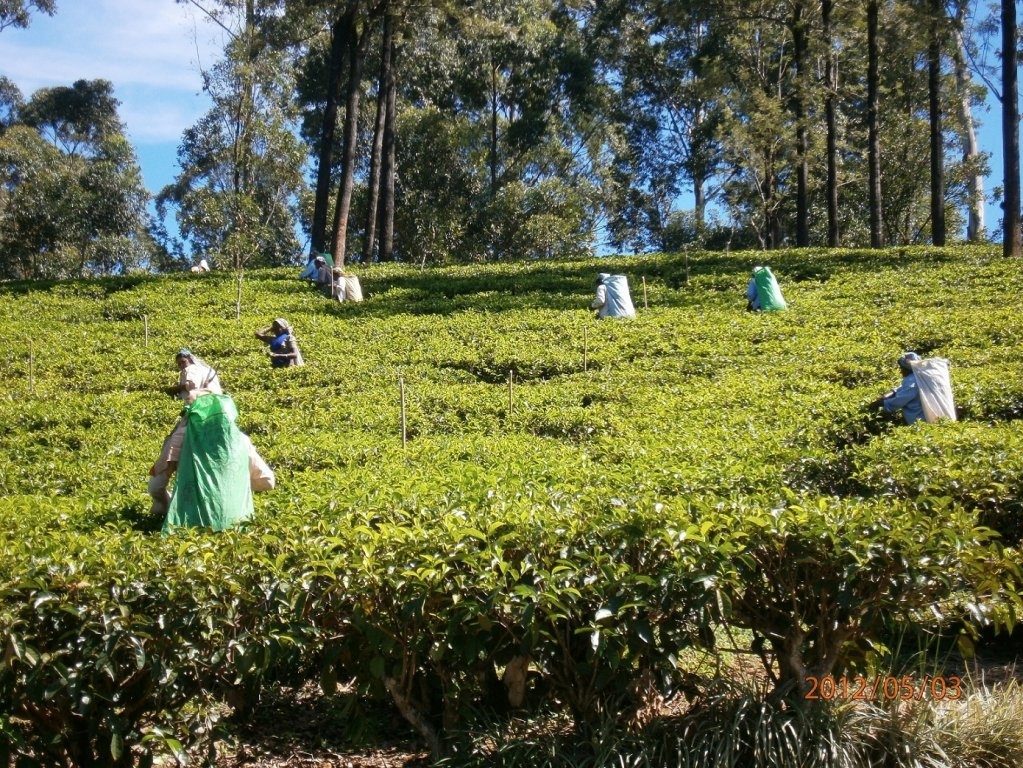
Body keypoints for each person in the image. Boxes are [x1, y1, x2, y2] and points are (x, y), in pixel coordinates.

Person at [163, 393, 275, 532]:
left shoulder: (180, 438)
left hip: (190, 529)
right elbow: (268, 481)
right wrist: (235, 484)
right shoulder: (241, 440)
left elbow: (156, 486)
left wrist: (165, 505)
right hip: (237, 528)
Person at [148, 349, 224, 519]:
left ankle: (167, 507)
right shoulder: (206, 371)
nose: (182, 366)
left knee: (169, 453)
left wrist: (173, 389)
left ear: (190, 359)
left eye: (183, 362)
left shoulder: (192, 370)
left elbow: (191, 387)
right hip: (212, 413)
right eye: (179, 364)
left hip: (198, 414)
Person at [868, 352, 924, 425]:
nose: (901, 371)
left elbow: (899, 401)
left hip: (919, 419)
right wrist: (892, 392)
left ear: (907, 368)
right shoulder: (920, 376)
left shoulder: (911, 380)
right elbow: (904, 389)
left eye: (901, 368)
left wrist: (879, 403)